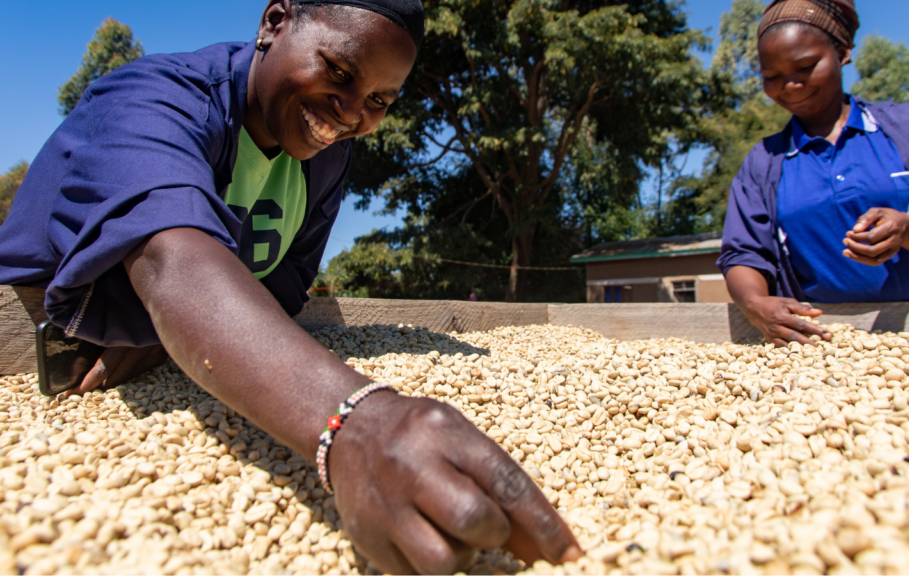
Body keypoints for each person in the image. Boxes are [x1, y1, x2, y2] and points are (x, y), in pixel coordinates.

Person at [0, 1, 580, 572]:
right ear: (275, 23)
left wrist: (172, 333)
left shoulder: (326, 157)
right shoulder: (151, 99)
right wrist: (357, 425)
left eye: (379, 100)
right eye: (339, 72)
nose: (351, 114)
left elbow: (283, 284)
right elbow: (170, 261)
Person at [717, 0, 909, 347]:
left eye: (806, 66)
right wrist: (754, 303)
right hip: (827, 344)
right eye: (772, 76)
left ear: (842, 52)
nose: (790, 85)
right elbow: (744, 253)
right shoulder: (764, 162)